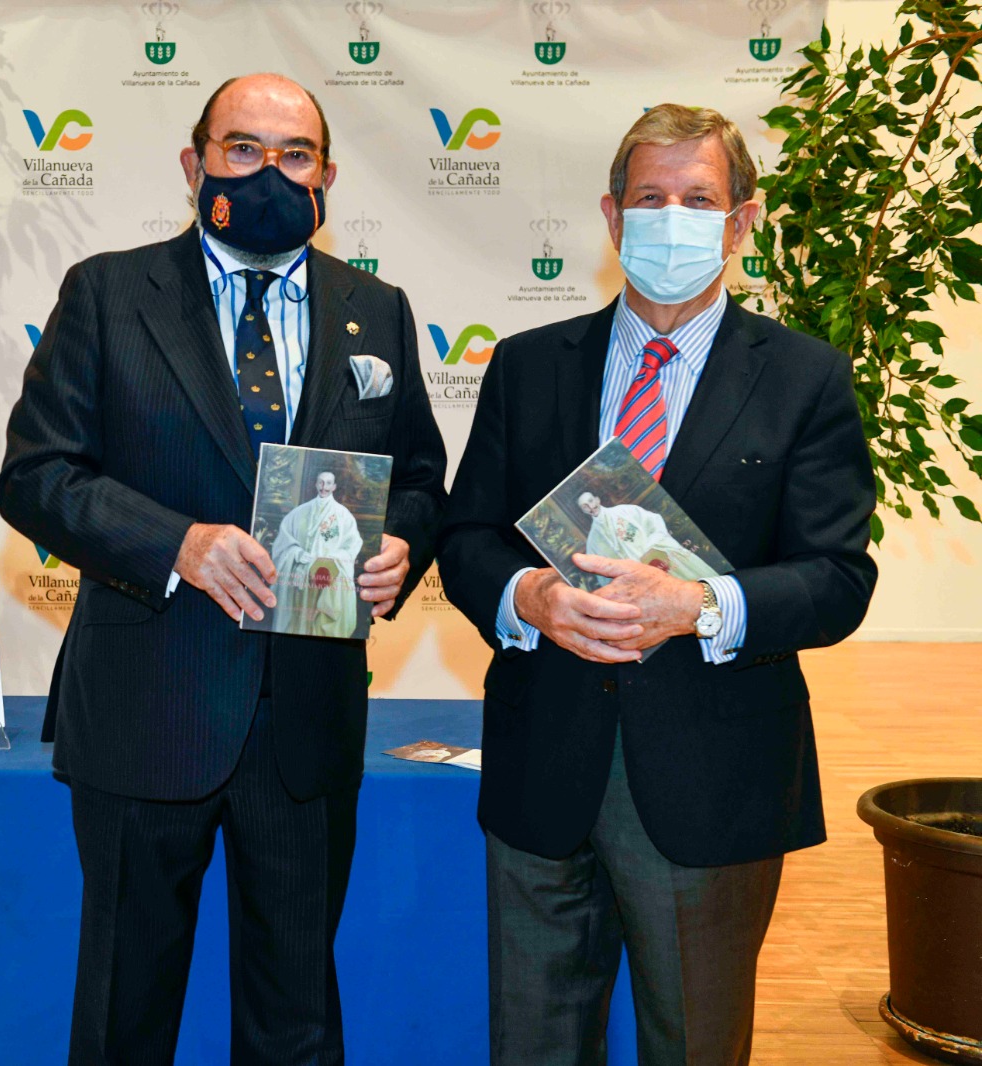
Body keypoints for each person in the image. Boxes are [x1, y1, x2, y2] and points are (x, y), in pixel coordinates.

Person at [0, 72, 448, 1063]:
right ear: (195, 162)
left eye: (294, 155)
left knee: (295, 1020)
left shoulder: (377, 308)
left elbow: (418, 477)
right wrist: (178, 545)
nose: (270, 172)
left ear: (326, 174)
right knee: (125, 1014)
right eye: (244, 149)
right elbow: (35, 477)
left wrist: (405, 545)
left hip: (306, 721)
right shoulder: (107, 293)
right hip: (142, 713)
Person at [437, 103, 877, 1065]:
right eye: (650, 199)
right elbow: (467, 536)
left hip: (709, 784)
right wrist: (529, 600)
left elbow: (839, 577)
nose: (671, 218)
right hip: (542, 768)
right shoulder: (526, 368)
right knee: (535, 1045)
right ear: (610, 214)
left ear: (743, 220)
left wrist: (704, 605)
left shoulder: (806, 379)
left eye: (699, 198)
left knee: (694, 1048)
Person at [270, 471, 363, 637]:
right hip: (300, 581)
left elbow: (351, 547)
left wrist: (333, 559)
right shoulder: (298, 513)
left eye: (328, 483)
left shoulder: (343, 516)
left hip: (327, 580)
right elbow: (282, 544)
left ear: (334, 487)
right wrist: (296, 553)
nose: (323, 487)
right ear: (315, 484)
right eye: (321, 482)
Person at [577, 491, 716, 582]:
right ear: (583, 511)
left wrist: (650, 548)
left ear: (597, 499)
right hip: (641, 581)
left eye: (591, 501)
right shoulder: (593, 542)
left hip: (661, 559)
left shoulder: (625, 511)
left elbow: (655, 522)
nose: (590, 506)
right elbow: (603, 577)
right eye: (585, 506)